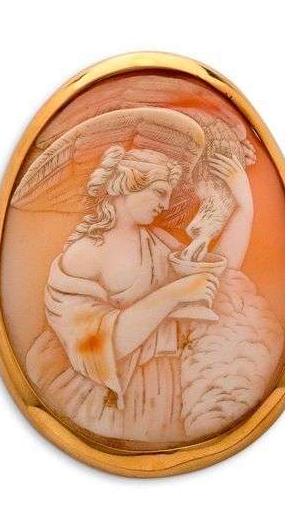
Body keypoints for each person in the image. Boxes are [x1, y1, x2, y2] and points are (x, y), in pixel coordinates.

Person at [24, 144, 253, 442]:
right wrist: (175, 293)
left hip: (164, 389)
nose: (166, 204)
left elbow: (221, 277)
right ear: (123, 185)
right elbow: (97, 344)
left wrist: (245, 207)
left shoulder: (157, 240)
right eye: (159, 192)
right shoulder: (85, 255)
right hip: (110, 394)